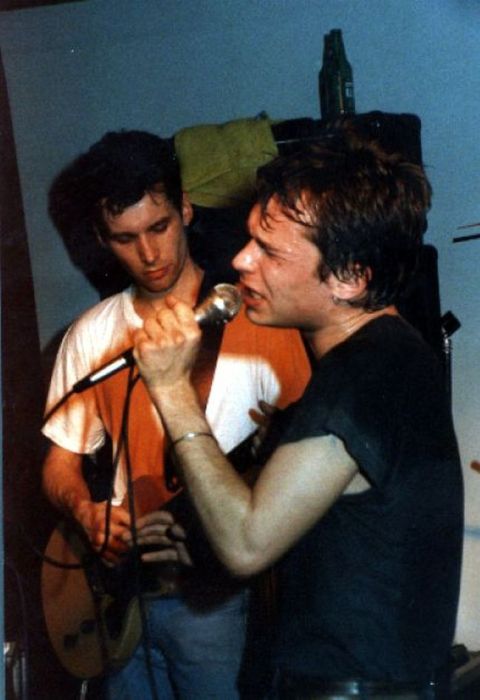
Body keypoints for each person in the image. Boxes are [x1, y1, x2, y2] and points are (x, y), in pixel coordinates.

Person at [129, 126, 464, 700]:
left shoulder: (361, 374)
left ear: (350, 276)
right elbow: (337, 541)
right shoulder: (390, 356)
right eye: (249, 239)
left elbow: (247, 543)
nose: (241, 259)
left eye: (270, 250)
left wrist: (171, 388)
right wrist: (203, 540)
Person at [41, 130, 311, 699]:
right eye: (125, 238)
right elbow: (59, 463)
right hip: (121, 596)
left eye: (159, 227)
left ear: (185, 209)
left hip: (216, 596)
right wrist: (87, 513)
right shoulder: (90, 336)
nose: (149, 254)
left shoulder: (257, 319)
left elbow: (306, 452)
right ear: (102, 239)